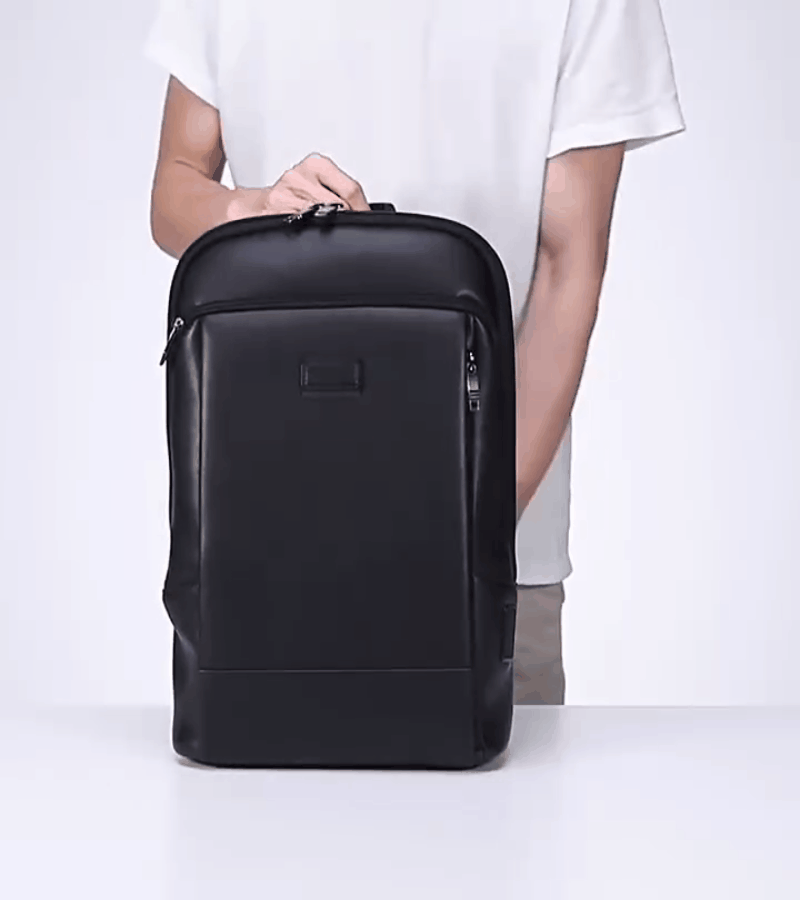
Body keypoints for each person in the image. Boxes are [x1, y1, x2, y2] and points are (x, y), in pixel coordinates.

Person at [144, 0, 686, 705]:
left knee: (505, 772)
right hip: (264, 547)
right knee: (243, 769)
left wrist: (468, 539)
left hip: (485, 566)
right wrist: (247, 210)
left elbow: (568, 267)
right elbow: (175, 186)